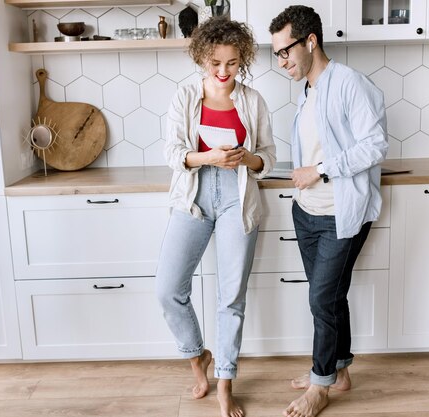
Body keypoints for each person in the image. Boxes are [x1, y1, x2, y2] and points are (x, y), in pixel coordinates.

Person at [269, 6, 388, 417]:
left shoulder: (351, 84)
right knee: (331, 296)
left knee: (321, 298)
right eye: (277, 54)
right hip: (307, 212)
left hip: (341, 212)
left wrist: (318, 171)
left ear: (311, 41)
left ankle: (320, 385)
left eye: (285, 52)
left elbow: (375, 146)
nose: (282, 62)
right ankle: (339, 372)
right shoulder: (308, 90)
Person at [156, 16, 276, 417]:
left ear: (242, 60)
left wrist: (248, 158)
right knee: (169, 288)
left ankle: (225, 381)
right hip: (194, 195)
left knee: (231, 298)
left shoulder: (253, 100)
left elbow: (269, 158)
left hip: (237, 198)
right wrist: (209, 157)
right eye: (215, 64)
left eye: (232, 63)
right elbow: (172, 154)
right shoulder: (185, 96)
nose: (224, 72)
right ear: (201, 59)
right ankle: (197, 358)